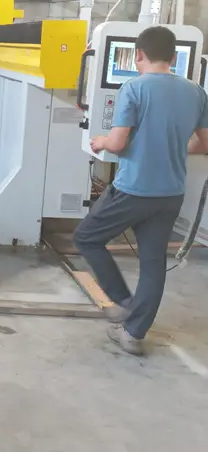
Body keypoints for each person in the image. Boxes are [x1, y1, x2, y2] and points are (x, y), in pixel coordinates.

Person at [74, 25, 208, 355]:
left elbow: (118, 143)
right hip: (171, 193)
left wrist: (102, 141)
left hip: (133, 189)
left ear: (138, 55)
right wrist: (172, 147)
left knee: (87, 238)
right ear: (174, 58)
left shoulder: (133, 88)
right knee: (152, 262)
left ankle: (122, 302)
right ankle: (133, 334)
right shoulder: (196, 92)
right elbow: (204, 143)